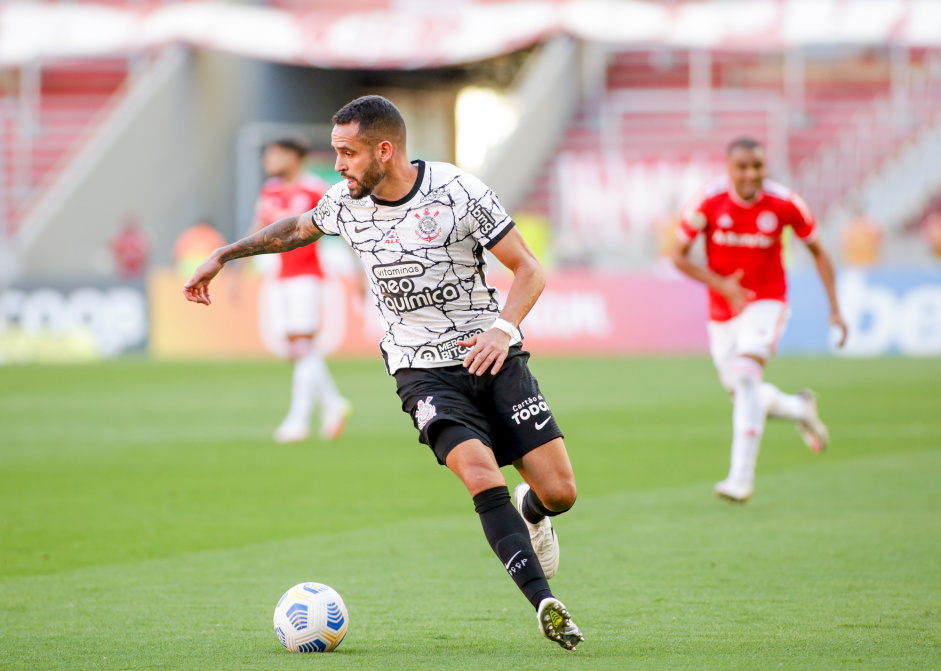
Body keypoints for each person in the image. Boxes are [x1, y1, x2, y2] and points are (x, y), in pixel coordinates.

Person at [183, 96, 584, 650]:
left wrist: (503, 328)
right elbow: (295, 229)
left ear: (384, 150)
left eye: (347, 153)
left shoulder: (457, 192)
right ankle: (546, 603)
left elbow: (529, 270)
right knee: (481, 475)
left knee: (560, 491)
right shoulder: (345, 204)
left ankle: (533, 510)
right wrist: (225, 253)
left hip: (492, 356)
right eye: (335, 152)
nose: (339, 164)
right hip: (421, 371)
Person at [673, 137, 848, 503]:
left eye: (758, 166)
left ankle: (741, 478)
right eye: (743, 167)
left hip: (768, 301)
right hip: (723, 310)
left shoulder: (785, 203)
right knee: (741, 392)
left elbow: (819, 251)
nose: (751, 174)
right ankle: (801, 407)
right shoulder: (708, 201)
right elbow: (678, 255)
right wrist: (721, 284)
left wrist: (835, 307)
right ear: (729, 168)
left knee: (747, 376)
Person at [252, 139, 350, 444]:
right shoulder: (270, 191)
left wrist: (358, 269)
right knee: (297, 350)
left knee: (302, 344)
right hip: (280, 275)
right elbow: (256, 228)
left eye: (274, 154)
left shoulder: (315, 189)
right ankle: (334, 402)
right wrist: (230, 263)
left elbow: (346, 226)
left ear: (293, 157)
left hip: (307, 276)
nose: (268, 160)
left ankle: (299, 420)